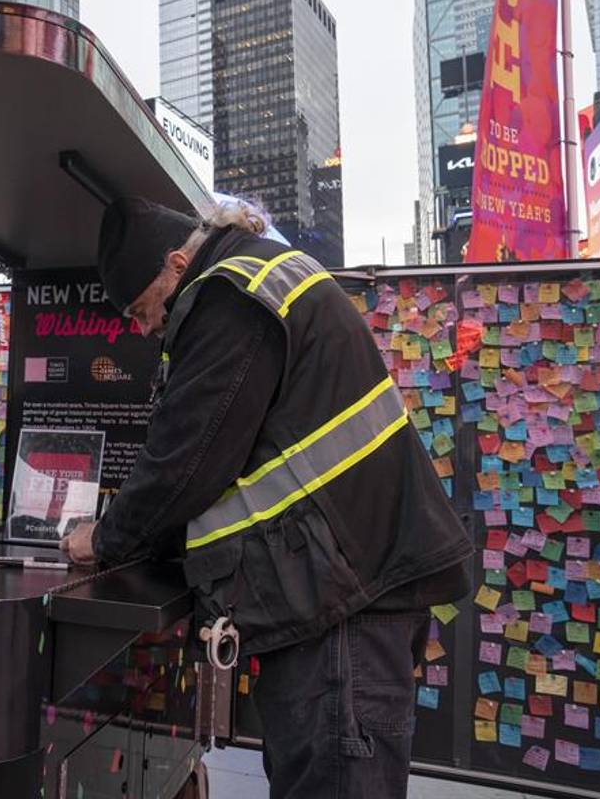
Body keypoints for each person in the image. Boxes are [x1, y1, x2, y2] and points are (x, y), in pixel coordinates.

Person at [60, 197, 474, 798]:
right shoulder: (260, 276)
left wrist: (101, 537)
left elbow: (186, 457)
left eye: (141, 310)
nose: (142, 328)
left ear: (177, 266)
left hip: (338, 614)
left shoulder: (230, 295)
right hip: (340, 599)